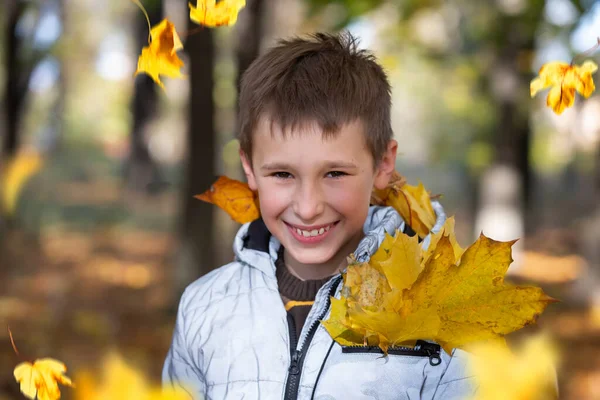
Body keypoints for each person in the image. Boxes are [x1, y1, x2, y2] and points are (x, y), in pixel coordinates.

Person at [162, 31, 477, 400]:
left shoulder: (444, 310)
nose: (308, 207)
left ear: (383, 163)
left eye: (335, 174)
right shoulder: (205, 306)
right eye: (282, 175)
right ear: (249, 166)